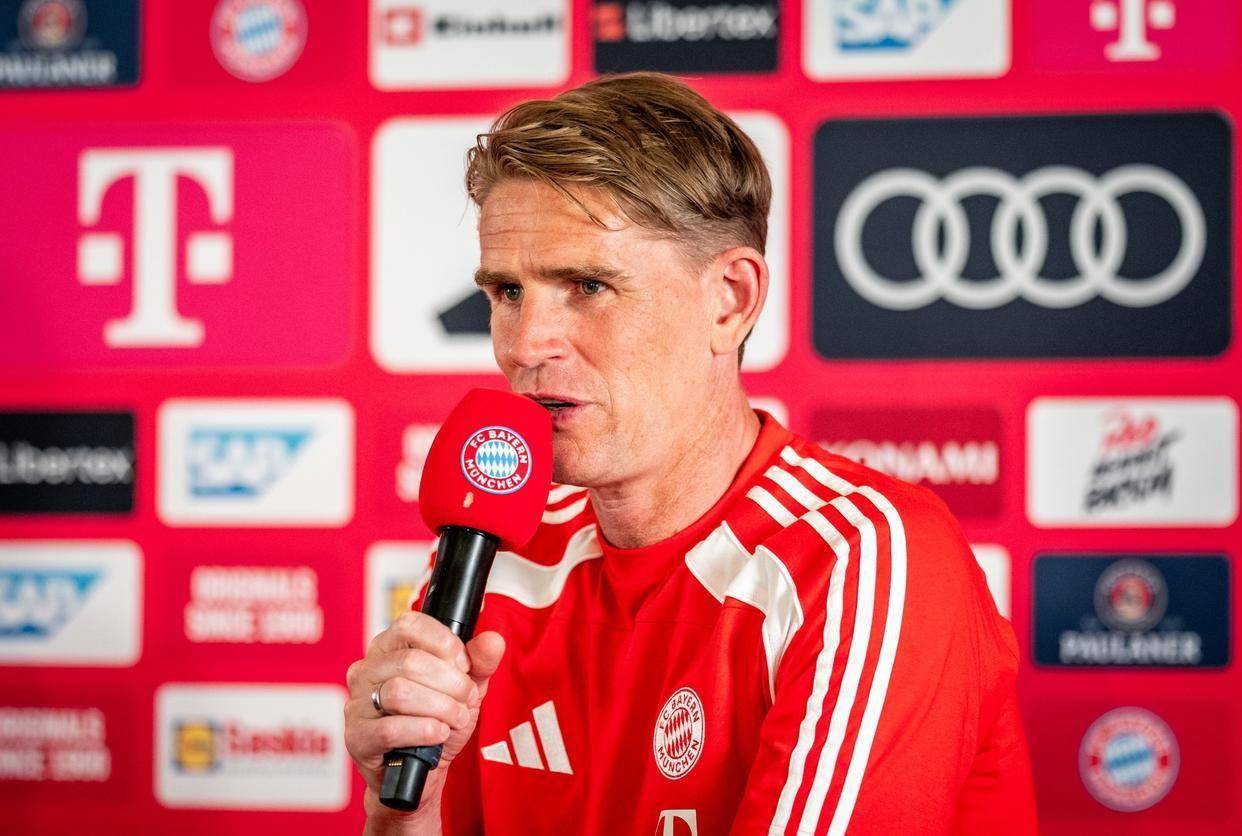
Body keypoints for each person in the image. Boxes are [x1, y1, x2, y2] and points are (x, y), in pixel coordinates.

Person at [345, 72, 1038, 835]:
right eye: (508, 292)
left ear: (730, 300)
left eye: (587, 285)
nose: (526, 345)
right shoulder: (494, 558)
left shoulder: (859, 557)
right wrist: (406, 809)